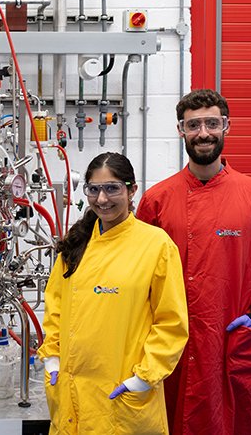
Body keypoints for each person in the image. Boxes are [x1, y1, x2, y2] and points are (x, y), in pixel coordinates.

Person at [135, 89, 251, 435]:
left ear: (227, 127)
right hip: (172, 342)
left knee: (235, 422)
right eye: (194, 125)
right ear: (181, 130)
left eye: (213, 123)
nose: (204, 133)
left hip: (231, 340)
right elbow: (137, 270)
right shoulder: (157, 200)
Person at [37, 152, 189, 434]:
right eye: (94, 189)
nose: (102, 199)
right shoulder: (75, 244)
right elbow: (55, 306)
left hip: (121, 395)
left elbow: (171, 324)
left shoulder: (156, 246)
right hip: (72, 394)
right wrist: (52, 357)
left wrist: (143, 379)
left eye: (112, 188)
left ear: (132, 190)